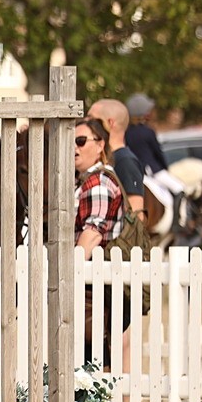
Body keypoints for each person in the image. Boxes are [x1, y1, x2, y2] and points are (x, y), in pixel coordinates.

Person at [73, 117, 129, 366]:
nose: (74, 147)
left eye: (81, 141)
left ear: (100, 145)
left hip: (91, 287)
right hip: (93, 284)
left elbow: (92, 233)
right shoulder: (85, 179)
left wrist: (68, 274)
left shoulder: (98, 182)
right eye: (70, 141)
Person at [125, 93, 187, 233]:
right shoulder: (148, 132)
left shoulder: (126, 132)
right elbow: (158, 153)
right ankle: (179, 223)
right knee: (180, 188)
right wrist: (165, 168)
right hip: (153, 170)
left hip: (136, 171)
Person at [87, 99, 145, 219]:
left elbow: (136, 216)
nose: (86, 123)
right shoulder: (106, 158)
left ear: (110, 123)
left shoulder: (125, 162)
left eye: (92, 119)